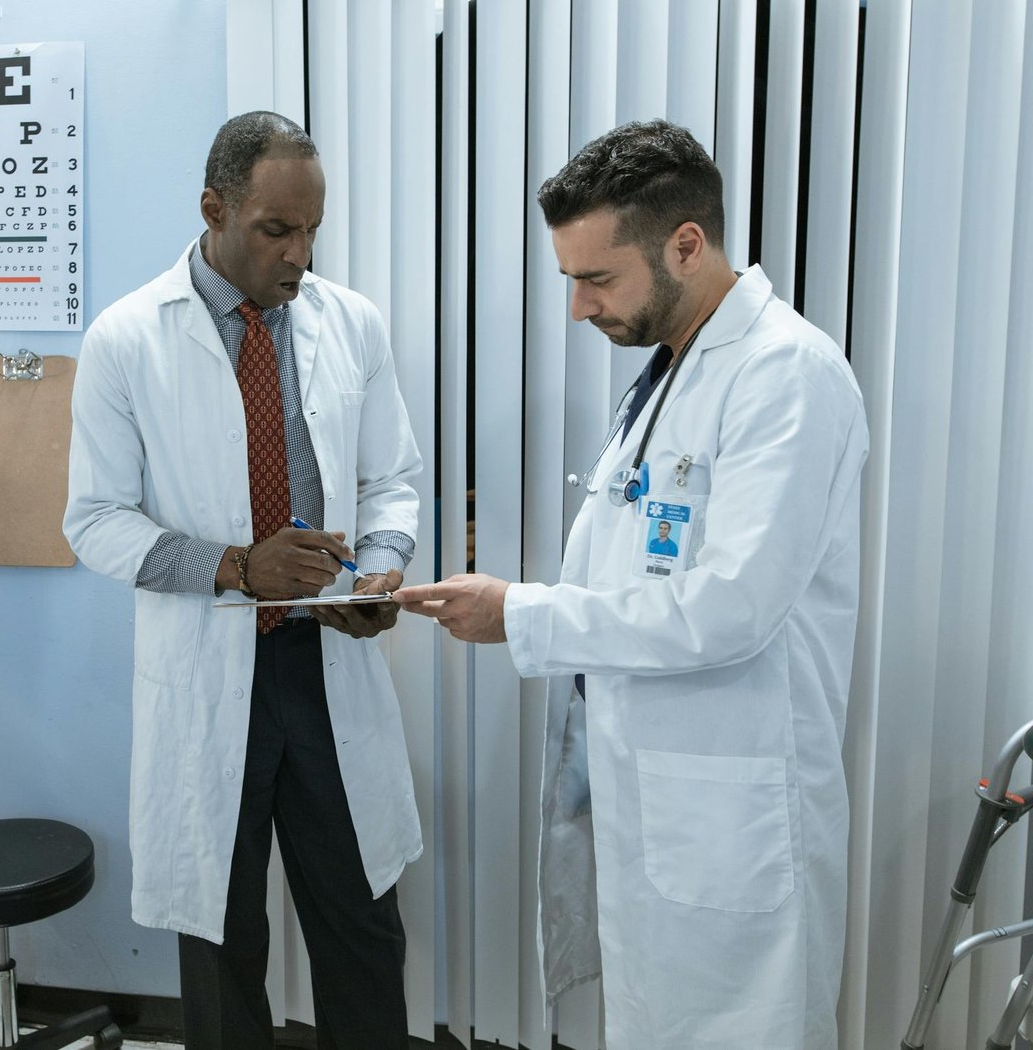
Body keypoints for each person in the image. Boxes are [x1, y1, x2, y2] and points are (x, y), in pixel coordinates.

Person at [396, 120, 867, 1049]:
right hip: (653, 790)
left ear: (686, 244)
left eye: (596, 278)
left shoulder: (787, 375)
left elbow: (731, 605)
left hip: (731, 809)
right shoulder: (674, 366)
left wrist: (521, 614)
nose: (577, 307)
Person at [65, 110, 423, 1049]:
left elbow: (393, 479)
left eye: (311, 229)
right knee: (222, 949)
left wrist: (380, 569)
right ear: (214, 210)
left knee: (361, 929)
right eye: (276, 229)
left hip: (325, 664)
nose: (299, 254)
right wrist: (236, 567)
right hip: (210, 673)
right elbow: (93, 523)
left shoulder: (351, 324)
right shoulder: (126, 339)